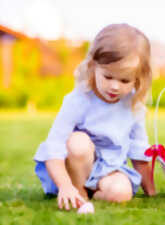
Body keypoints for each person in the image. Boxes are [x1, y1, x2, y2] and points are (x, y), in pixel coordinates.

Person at [34, 24, 155, 211]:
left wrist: (151, 193)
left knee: (121, 192)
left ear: (138, 78)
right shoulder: (78, 100)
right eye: (108, 77)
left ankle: (95, 194)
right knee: (78, 142)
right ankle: (78, 192)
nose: (114, 86)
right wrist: (64, 185)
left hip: (108, 170)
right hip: (75, 167)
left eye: (124, 80)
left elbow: (139, 151)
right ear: (93, 66)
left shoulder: (133, 105)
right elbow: (54, 148)